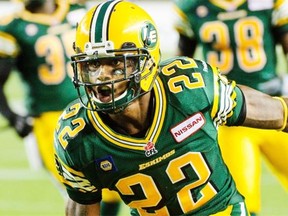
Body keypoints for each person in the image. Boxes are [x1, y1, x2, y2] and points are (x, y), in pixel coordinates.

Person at [53, 0, 288, 215]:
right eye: (92, 64)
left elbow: (279, 113)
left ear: (145, 60)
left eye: (116, 63)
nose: (101, 77)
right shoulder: (75, 137)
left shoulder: (191, 89)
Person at [0, 0, 121, 215]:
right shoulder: (12, 27)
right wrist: (11, 116)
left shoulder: (77, 11)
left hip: (93, 110)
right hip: (50, 119)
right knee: (80, 192)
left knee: (113, 188)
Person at [172, 0, 288, 215]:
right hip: (230, 113)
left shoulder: (269, 3)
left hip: (272, 106)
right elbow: (180, 65)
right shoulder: (192, 6)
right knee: (241, 203)